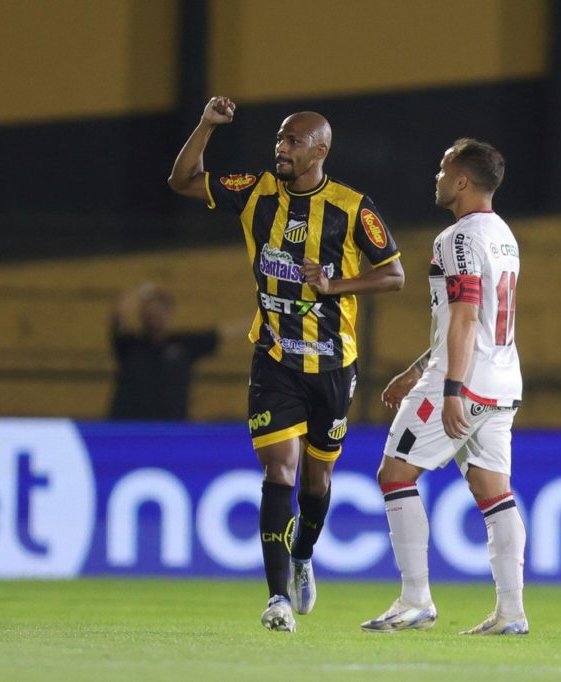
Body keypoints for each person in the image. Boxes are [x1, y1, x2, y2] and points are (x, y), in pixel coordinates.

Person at [168, 96, 405, 632]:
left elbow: (394, 275)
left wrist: (334, 285)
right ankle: (277, 598)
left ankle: (302, 554)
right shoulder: (255, 193)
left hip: (331, 365)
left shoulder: (351, 207)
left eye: (293, 141)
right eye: (279, 138)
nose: (281, 148)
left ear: (320, 150)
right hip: (274, 357)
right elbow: (182, 181)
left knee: (317, 479)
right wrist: (205, 125)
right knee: (281, 469)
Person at [360, 139, 527, 635]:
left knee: (394, 473)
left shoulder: (454, 239)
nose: (436, 177)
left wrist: (450, 388)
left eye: (442, 168)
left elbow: (465, 316)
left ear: (461, 181)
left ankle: (415, 600)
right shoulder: (503, 235)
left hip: (464, 381)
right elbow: (474, 321)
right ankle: (511, 613)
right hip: (501, 380)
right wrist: (416, 371)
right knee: (493, 491)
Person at [109, 282, 223, 420]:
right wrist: (142, 291)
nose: (154, 316)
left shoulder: (184, 344)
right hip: (128, 427)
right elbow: (119, 312)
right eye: (149, 312)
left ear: (169, 312)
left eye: (159, 310)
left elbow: (225, 333)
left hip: (172, 430)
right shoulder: (130, 345)